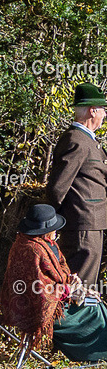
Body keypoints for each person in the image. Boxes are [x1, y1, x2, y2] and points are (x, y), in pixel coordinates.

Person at [1, 204, 107, 361]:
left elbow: (59, 277)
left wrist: (81, 290)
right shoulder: (33, 250)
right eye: (54, 229)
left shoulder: (44, 245)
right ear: (45, 230)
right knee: (94, 310)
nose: (56, 232)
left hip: (57, 302)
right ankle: (97, 355)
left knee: (97, 303)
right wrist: (70, 291)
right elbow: (39, 289)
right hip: (37, 311)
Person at [46, 83, 107, 284]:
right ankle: (73, 317)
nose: (104, 115)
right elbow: (58, 186)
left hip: (91, 225)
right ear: (93, 110)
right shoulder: (76, 140)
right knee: (80, 288)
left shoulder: (87, 140)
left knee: (85, 288)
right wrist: (49, 223)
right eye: (103, 110)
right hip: (82, 227)